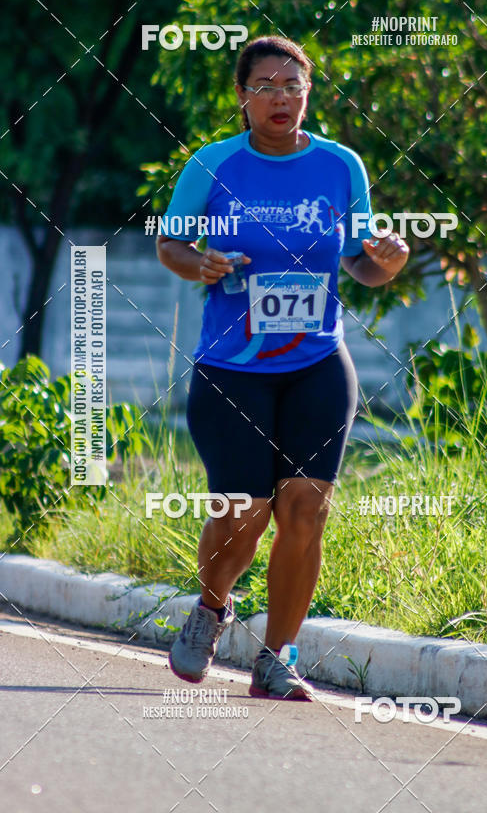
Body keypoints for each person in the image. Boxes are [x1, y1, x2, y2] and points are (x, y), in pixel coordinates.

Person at [156, 35, 409, 701]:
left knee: (305, 509)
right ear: (241, 96)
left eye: (293, 86)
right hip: (232, 365)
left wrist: (385, 261)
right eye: (265, 85)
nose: (280, 98)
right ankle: (211, 608)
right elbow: (171, 243)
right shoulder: (212, 165)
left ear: (309, 95)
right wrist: (199, 262)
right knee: (246, 508)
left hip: (318, 360)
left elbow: (359, 258)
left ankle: (278, 658)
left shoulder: (339, 164)